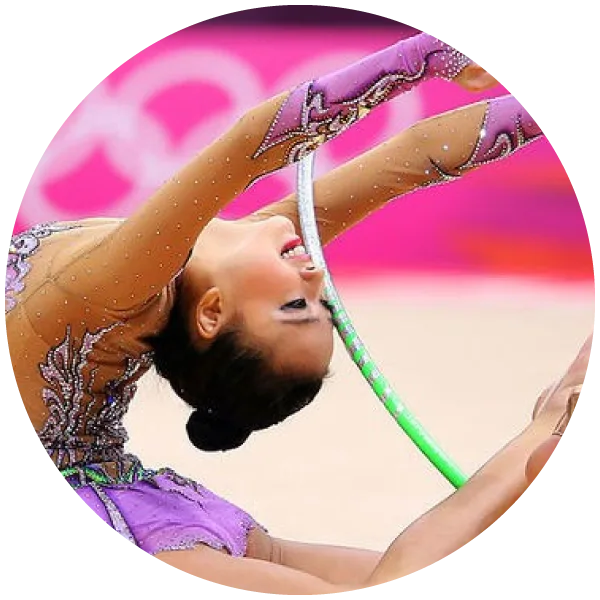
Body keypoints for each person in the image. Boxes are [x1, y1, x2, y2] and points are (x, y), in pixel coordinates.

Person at [5, 30, 588, 592]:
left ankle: (545, 432)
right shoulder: (196, 270)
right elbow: (414, 159)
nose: (317, 274)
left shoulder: (125, 285)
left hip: (115, 501)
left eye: (293, 304)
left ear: (212, 315)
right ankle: (545, 431)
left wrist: (423, 56)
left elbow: (250, 144)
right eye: (319, 302)